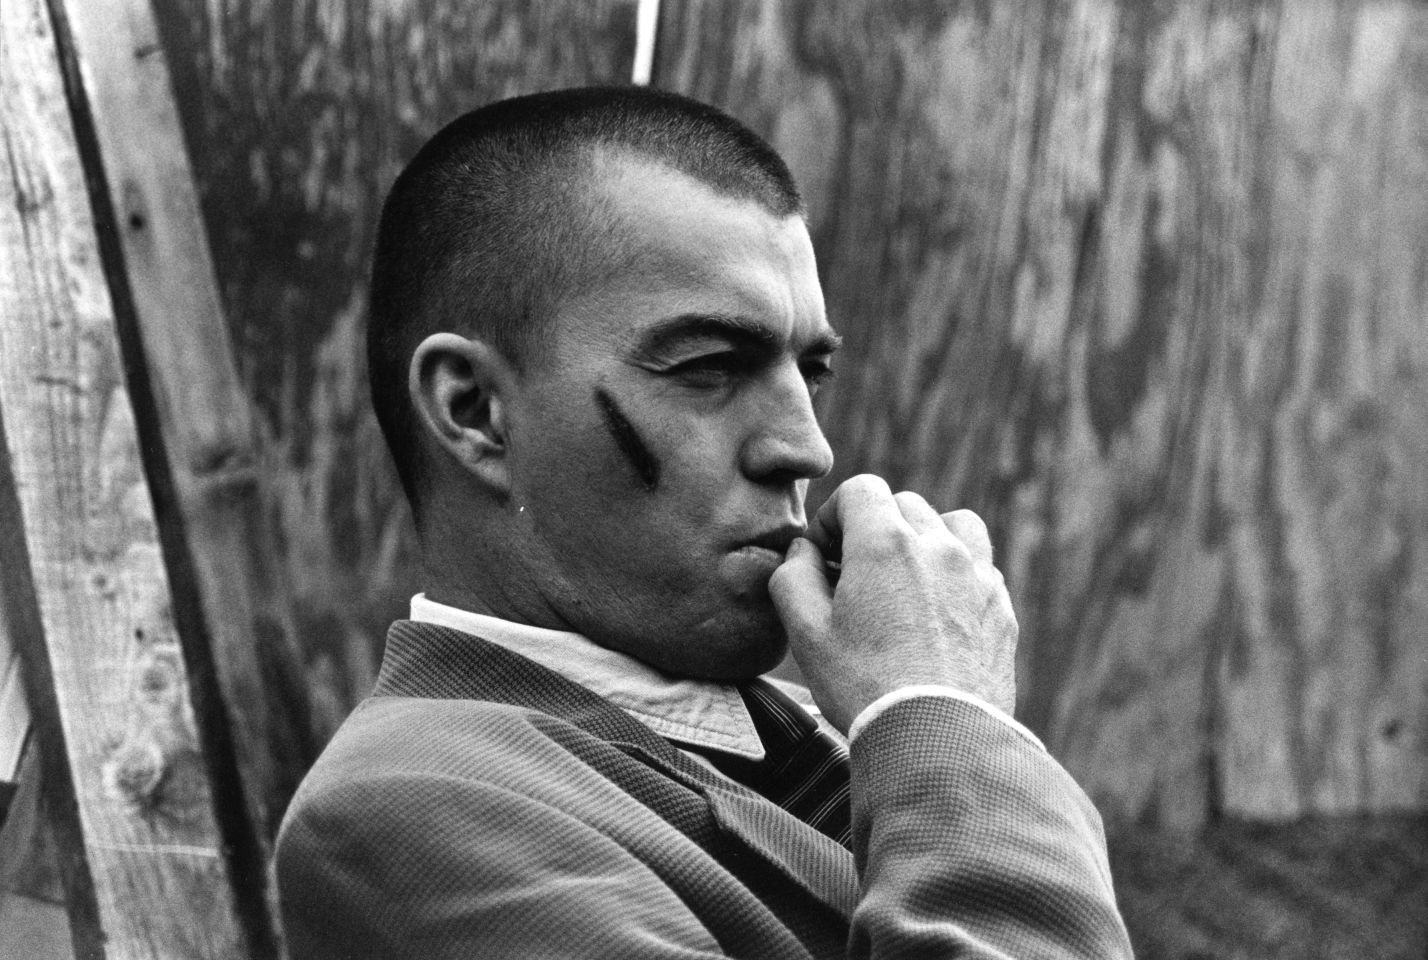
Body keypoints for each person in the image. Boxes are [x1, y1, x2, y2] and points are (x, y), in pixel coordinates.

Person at [274, 85, 1132, 959]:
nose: (806, 448)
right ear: (475, 412)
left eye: (812, 372)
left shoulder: (835, 734)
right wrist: (946, 723)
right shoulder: (414, 810)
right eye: (708, 366)